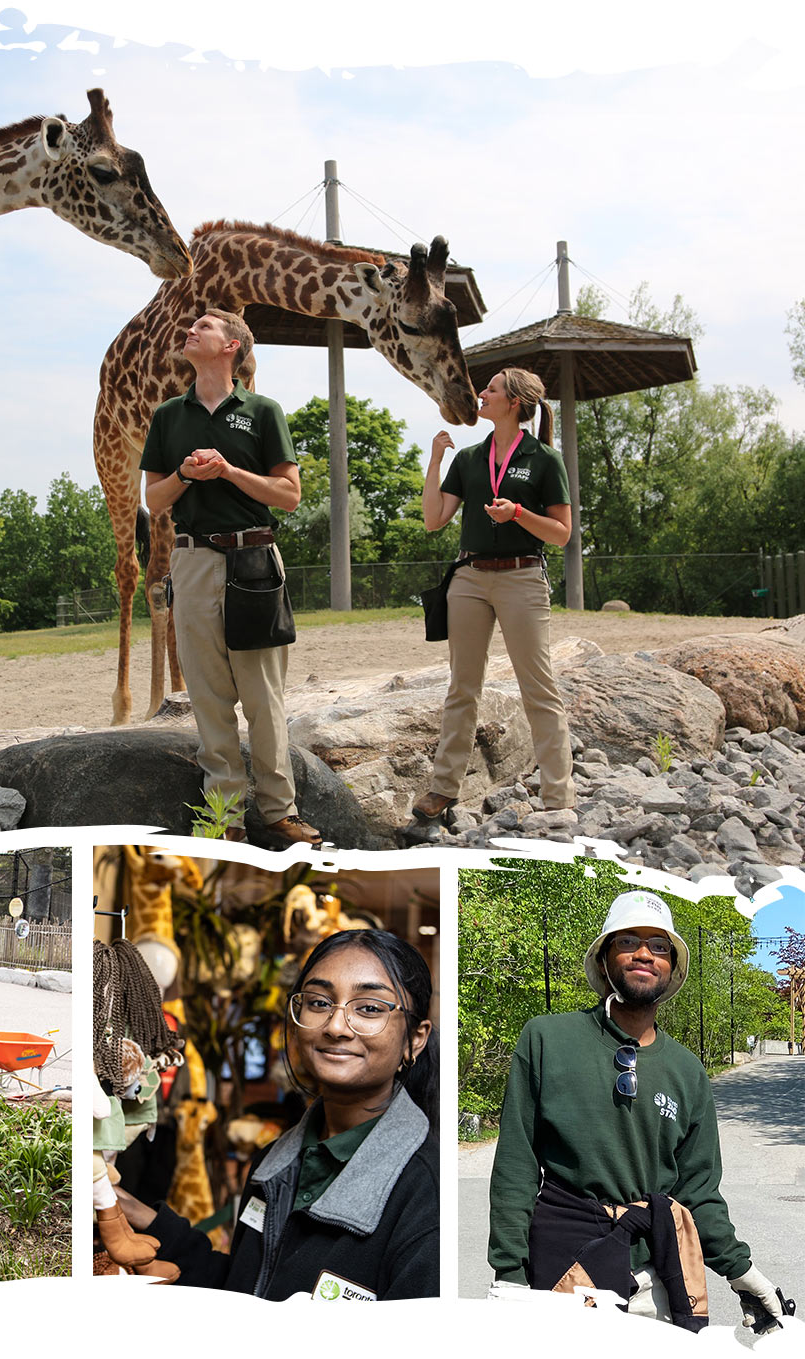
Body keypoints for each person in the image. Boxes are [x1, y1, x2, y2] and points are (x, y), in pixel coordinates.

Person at [487, 890, 783, 1330]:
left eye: (659, 946)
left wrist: (741, 1272)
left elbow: (698, 1191)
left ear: (672, 969)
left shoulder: (687, 1071)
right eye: (627, 941)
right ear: (605, 960)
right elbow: (516, 1164)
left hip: (655, 1275)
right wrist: (509, 1274)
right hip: (566, 1268)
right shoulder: (547, 1039)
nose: (644, 954)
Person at [113, 928, 440, 1299]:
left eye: (369, 1009)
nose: (335, 1026)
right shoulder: (273, 1162)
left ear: (416, 1038)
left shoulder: (428, 1197)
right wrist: (149, 1221)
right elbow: (251, 1289)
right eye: (319, 1002)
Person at [140, 308, 321, 848]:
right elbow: (153, 500)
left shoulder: (263, 411)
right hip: (192, 563)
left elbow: (288, 496)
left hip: (255, 561)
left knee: (264, 696)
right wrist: (184, 475)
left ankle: (279, 811)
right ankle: (226, 817)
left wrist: (229, 471)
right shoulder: (169, 415)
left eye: (204, 327)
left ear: (231, 348)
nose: (190, 330)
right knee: (209, 696)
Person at [413, 368, 575, 831]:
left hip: (523, 578)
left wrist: (519, 512)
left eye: (491, 389)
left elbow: (561, 535)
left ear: (515, 403)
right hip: (468, 579)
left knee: (538, 688)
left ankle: (558, 797)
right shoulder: (468, 457)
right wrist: (435, 461)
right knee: (462, 687)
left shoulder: (544, 460)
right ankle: (443, 788)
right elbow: (433, 519)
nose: (481, 393)